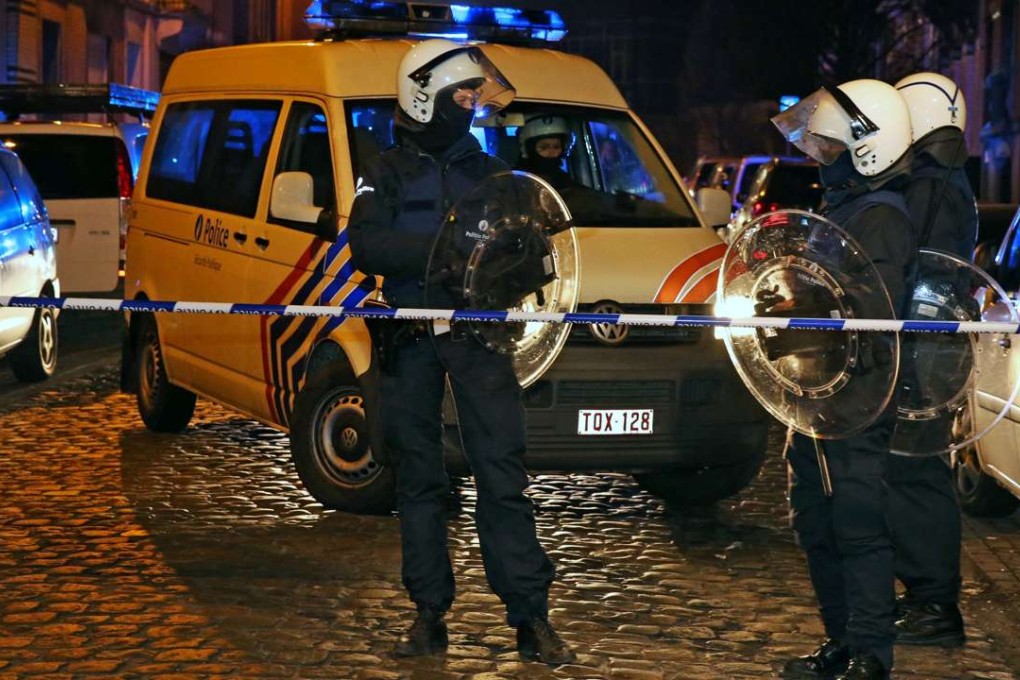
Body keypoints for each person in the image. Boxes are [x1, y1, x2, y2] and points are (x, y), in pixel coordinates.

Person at [346, 39, 575, 665]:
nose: (472, 104)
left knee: (503, 476)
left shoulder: (495, 174)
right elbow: (364, 244)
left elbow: (540, 257)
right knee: (418, 479)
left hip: (480, 336)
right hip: (410, 337)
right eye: (462, 94)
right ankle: (427, 614)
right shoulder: (386, 169)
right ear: (424, 97)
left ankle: (531, 619)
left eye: (475, 94)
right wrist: (440, 259)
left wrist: (506, 263)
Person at [771, 79, 918, 680]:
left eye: (832, 146)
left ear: (871, 148)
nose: (820, 156)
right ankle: (840, 640)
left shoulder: (881, 215)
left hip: (857, 389)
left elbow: (866, 305)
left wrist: (803, 305)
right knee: (816, 518)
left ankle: (871, 654)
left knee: (856, 521)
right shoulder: (847, 206)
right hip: (818, 385)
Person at [886, 72, 976, 647]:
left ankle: (933, 607)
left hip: (922, 350)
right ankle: (926, 599)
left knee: (916, 477)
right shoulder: (944, 181)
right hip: (929, 347)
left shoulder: (929, 187)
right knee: (914, 475)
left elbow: (917, 274)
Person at [515, 115, 577, 191]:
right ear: (530, 149)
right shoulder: (516, 180)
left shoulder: (566, 181)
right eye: (544, 147)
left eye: (556, 147)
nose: (552, 152)